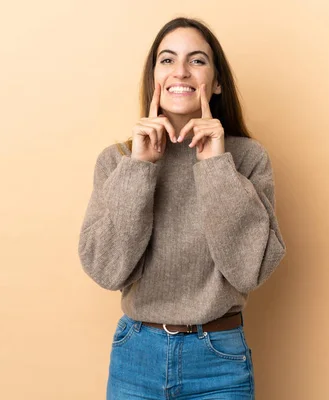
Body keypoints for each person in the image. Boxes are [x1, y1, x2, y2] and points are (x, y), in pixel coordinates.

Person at [78, 17, 286, 399]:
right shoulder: (118, 161)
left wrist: (216, 167)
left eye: (197, 61)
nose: (181, 72)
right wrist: (140, 168)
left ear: (217, 82)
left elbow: (249, 270)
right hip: (136, 356)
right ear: (153, 76)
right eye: (168, 60)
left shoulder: (247, 159)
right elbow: (106, 269)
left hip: (218, 360)